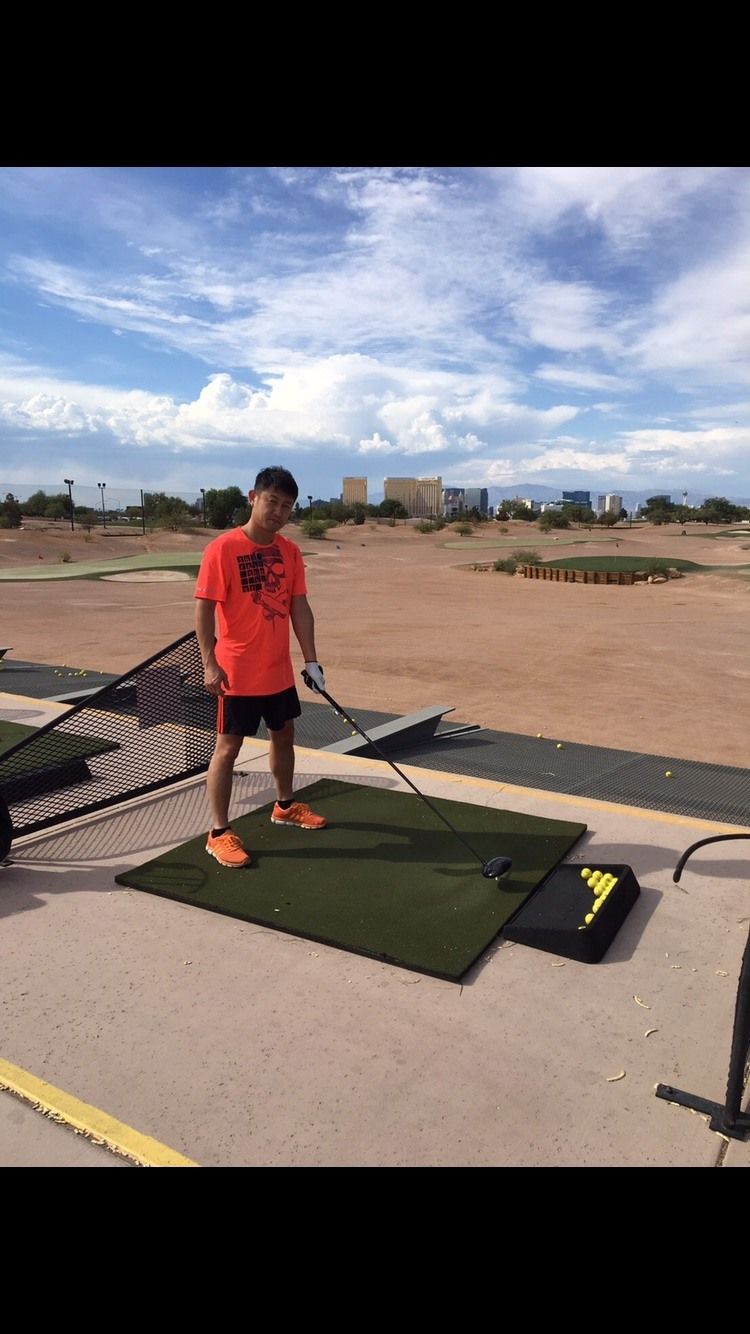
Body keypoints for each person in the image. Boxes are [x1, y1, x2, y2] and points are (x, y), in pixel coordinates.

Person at [194, 466, 327, 868]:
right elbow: (204, 609)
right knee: (228, 749)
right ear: (253, 498)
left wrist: (311, 660)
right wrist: (209, 663)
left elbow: (299, 607)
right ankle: (218, 833)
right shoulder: (223, 549)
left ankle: (284, 806)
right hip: (236, 672)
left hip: (277, 670)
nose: (278, 512)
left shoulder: (290, 552)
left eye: (286, 506)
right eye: (272, 501)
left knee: (284, 735)